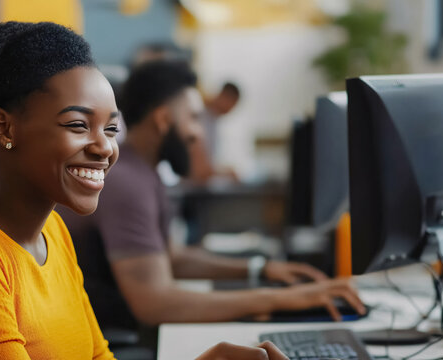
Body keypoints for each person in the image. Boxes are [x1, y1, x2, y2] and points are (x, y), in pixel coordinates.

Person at [0, 21, 287, 360]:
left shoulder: (53, 232)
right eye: (79, 125)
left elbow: (98, 355)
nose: (105, 148)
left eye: (111, 129)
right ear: (5, 128)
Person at [59, 60, 365, 335]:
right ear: (163, 119)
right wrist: (284, 298)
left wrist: (260, 270)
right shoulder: (127, 183)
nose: (199, 133)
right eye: (193, 118)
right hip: (106, 342)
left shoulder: (142, 173)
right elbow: (153, 304)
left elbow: (171, 257)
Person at [189, 82, 241, 184]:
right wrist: (227, 172)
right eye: (232, 104)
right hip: (190, 188)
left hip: (202, 186)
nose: (231, 110)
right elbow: (199, 169)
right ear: (224, 96)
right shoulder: (198, 116)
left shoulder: (214, 121)